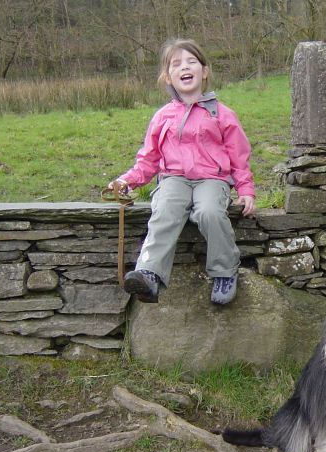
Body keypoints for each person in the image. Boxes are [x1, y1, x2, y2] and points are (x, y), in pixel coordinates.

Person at [108, 38, 255, 305]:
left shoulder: (222, 114)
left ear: (204, 71)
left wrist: (246, 190)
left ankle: (224, 271)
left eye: (191, 62)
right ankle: (149, 274)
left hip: (212, 179)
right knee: (164, 210)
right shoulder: (163, 116)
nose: (184, 68)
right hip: (174, 179)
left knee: (209, 211)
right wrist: (127, 181)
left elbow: (239, 156)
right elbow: (148, 159)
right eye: (176, 64)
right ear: (168, 76)